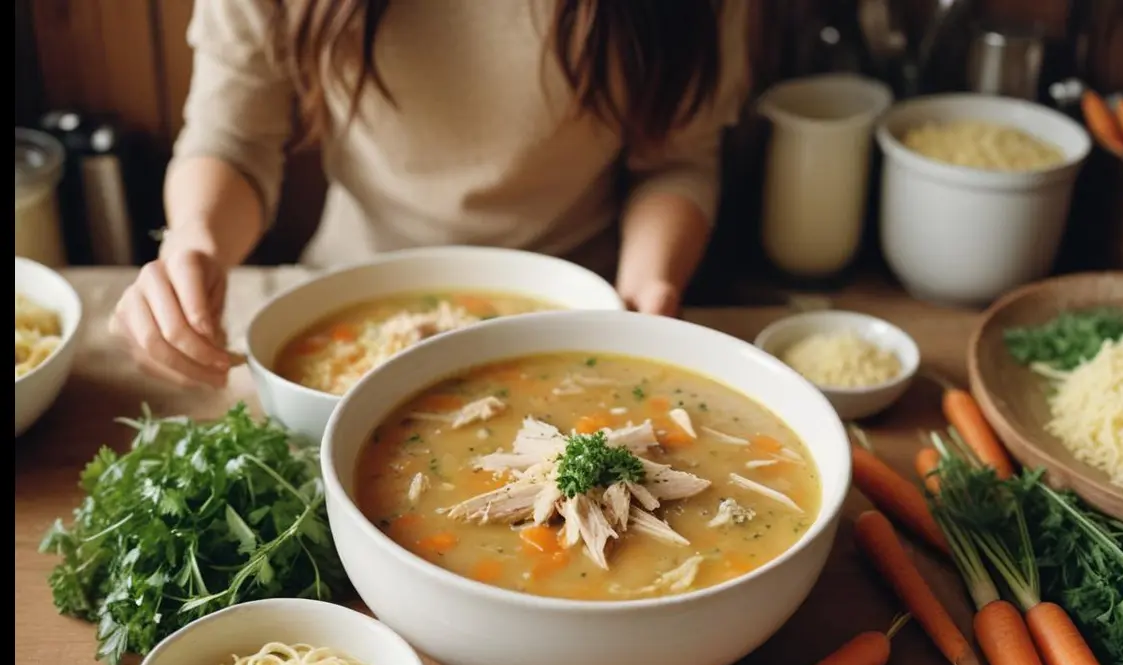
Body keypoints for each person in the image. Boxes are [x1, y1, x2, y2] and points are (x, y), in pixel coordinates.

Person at [110, 0, 752, 388]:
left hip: (577, 309)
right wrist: (195, 244)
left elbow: (675, 161)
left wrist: (649, 288)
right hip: (347, 304)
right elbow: (232, 139)